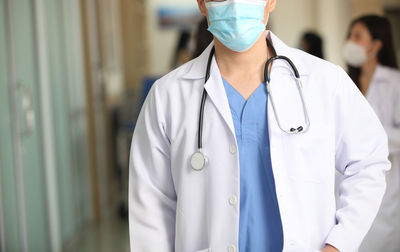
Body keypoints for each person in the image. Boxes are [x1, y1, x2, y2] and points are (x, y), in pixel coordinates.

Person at [128, 1, 390, 251]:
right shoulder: (168, 96)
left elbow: (368, 163)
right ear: (201, 3)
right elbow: (151, 206)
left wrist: (339, 244)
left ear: (270, 1)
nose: (236, 4)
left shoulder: (324, 81)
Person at [343, 14, 400, 252]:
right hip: (347, 180)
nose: (350, 42)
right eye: (350, 36)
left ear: (377, 45)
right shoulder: (345, 82)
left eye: (357, 36)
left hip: (387, 184)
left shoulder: (395, 83)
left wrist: (366, 135)